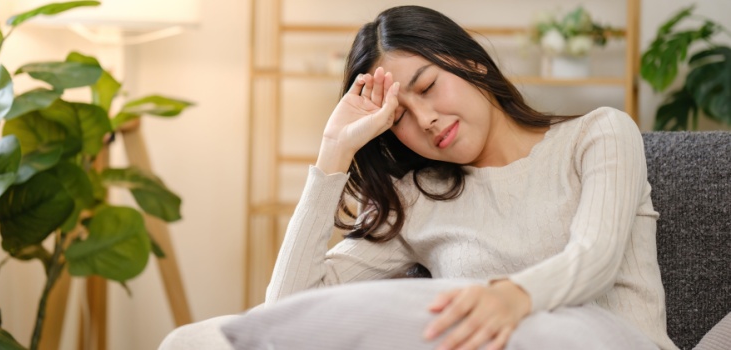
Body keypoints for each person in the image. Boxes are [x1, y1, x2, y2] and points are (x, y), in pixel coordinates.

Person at [159, 5, 678, 350]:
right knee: (196, 339)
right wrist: (334, 152)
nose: (425, 118)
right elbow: (292, 311)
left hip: (612, 342)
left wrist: (507, 297)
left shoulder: (600, 133)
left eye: (427, 86)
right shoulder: (420, 197)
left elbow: (596, 257)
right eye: (398, 115)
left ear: (471, 62)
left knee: (460, 317)